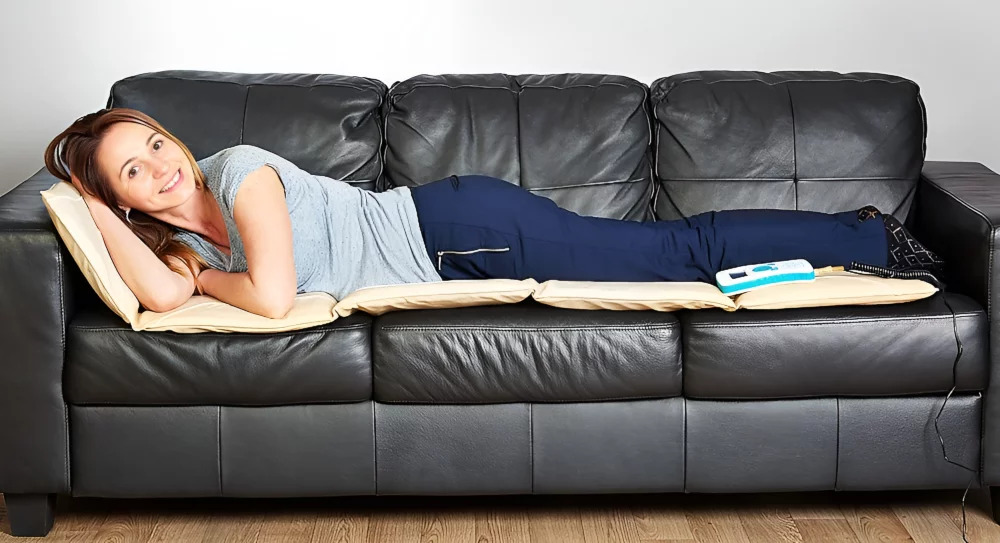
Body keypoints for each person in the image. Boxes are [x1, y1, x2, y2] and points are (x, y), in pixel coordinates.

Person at [44, 108, 944, 319]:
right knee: (678, 251)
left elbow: (272, 298)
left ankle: (866, 234)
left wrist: (213, 279)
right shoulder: (177, 235)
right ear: (122, 198)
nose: (162, 167)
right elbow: (163, 295)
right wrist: (95, 207)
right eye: (134, 172)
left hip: (459, 233)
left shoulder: (240, 172)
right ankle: (858, 232)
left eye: (154, 143)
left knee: (682, 251)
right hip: (453, 241)